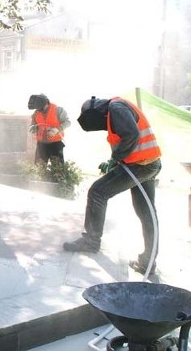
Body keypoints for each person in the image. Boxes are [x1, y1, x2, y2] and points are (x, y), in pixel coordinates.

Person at [62, 96, 162, 276]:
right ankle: (148, 262)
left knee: (97, 192)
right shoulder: (116, 109)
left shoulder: (116, 108)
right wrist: (116, 161)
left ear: (97, 112)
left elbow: (132, 135)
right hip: (149, 163)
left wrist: (115, 159)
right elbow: (127, 138)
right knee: (146, 212)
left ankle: (91, 241)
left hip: (139, 166)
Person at [27, 94, 70, 166]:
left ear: (46, 103)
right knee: (39, 168)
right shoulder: (36, 113)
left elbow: (67, 122)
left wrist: (57, 129)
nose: (39, 110)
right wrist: (33, 127)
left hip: (56, 144)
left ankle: (57, 177)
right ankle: (41, 177)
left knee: (58, 169)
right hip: (41, 144)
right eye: (37, 109)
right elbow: (33, 124)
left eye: (41, 108)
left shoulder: (58, 110)